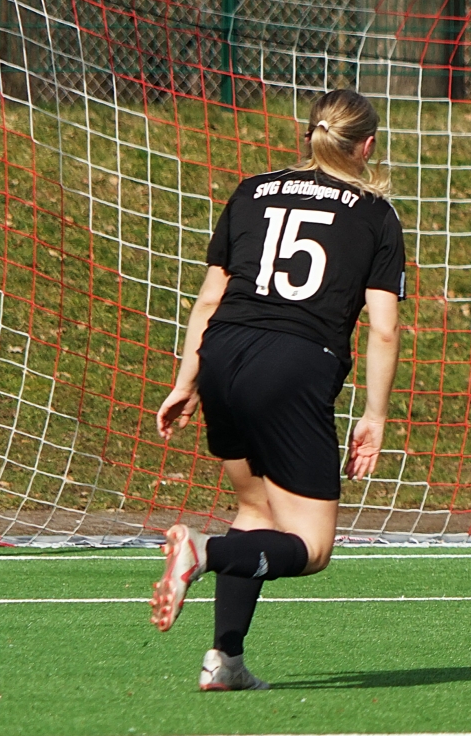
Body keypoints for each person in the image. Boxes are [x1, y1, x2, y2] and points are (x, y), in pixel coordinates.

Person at [149, 88, 406, 691]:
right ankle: (203, 554)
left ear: (308, 136)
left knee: (255, 511)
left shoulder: (252, 190)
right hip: (292, 366)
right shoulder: (376, 213)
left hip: (223, 355)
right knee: (311, 547)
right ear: (367, 146)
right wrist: (374, 416)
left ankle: (225, 661)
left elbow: (209, 299)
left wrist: (187, 380)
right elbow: (384, 329)